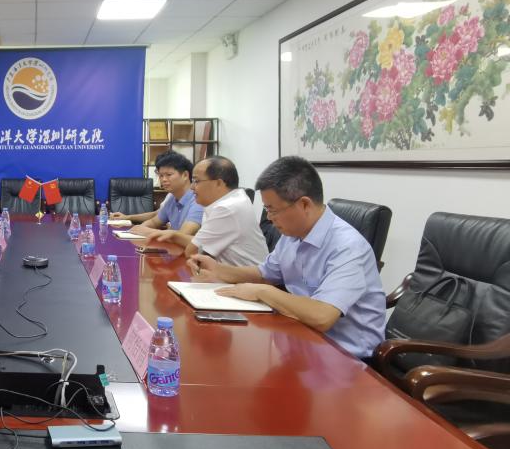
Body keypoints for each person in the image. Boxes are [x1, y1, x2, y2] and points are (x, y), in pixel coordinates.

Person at [187, 156, 385, 360]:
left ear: (304, 204)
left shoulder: (347, 247)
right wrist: (219, 270)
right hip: (299, 337)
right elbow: (264, 274)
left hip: (345, 356)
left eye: (272, 210)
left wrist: (263, 291)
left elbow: (322, 316)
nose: (269, 218)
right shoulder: (293, 234)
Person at [148, 155, 268, 266]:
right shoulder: (234, 198)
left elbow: (192, 251)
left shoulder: (226, 208)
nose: (192, 187)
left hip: (244, 279)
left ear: (219, 183)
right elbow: (200, 244)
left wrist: (175, 236)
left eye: (196, 181)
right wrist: (174, 235)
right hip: (234, 274)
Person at [111, 151, 203, 241]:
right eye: (161, 175)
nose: (163, 179)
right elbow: (154, 221)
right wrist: (137, 230)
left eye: (169, 175)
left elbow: (183, 235)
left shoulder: (198, 200)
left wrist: (148, 231)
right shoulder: (172, 197)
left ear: (185, 175)